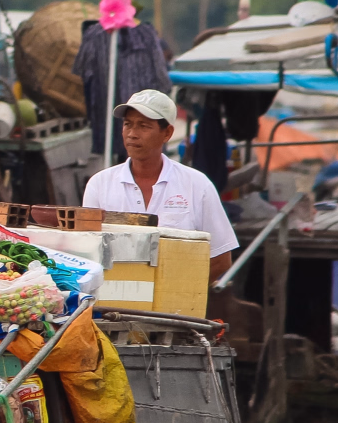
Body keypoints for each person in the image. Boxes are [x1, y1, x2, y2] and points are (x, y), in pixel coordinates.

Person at [82, 89, 239, 282]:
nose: (132, 134)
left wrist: (176, 292)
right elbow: (87, 255)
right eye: (127, 124)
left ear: (167, 133)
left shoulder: (197, 185)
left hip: (174, 309)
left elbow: (221, 258)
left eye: (143, 126)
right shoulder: (99, 184)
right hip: (114, 307)